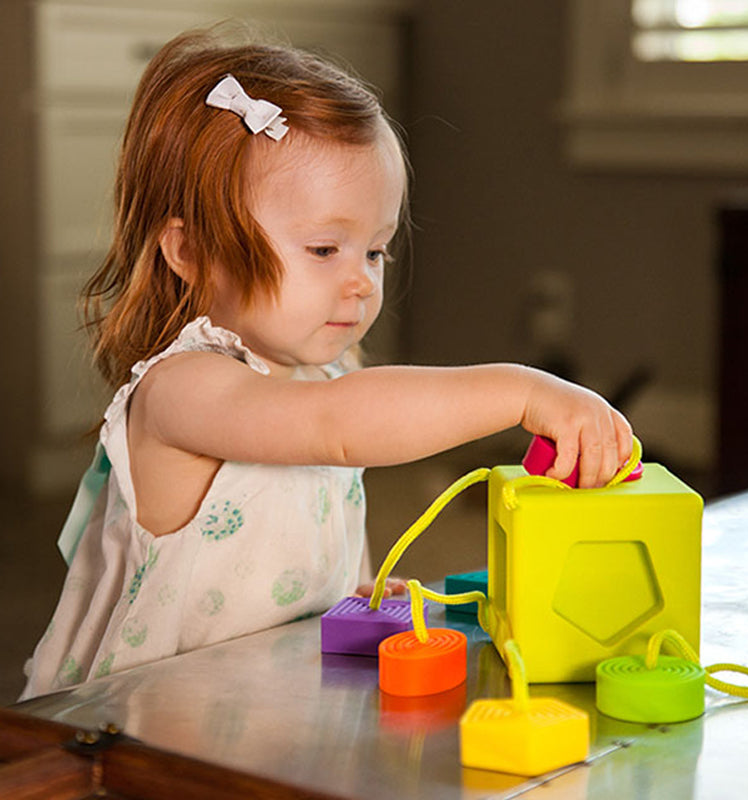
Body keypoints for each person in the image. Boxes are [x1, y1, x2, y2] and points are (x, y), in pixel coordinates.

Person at [20, 28, 632, 699]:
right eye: (322, 250)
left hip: (269, 701)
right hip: (141, 727)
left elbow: (322, 500)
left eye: (375, 250)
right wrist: (520, 391)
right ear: (191, 252)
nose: (363, 282)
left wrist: (355, 591)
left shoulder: (324, 377)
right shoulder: (181, 390)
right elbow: (336, 427)